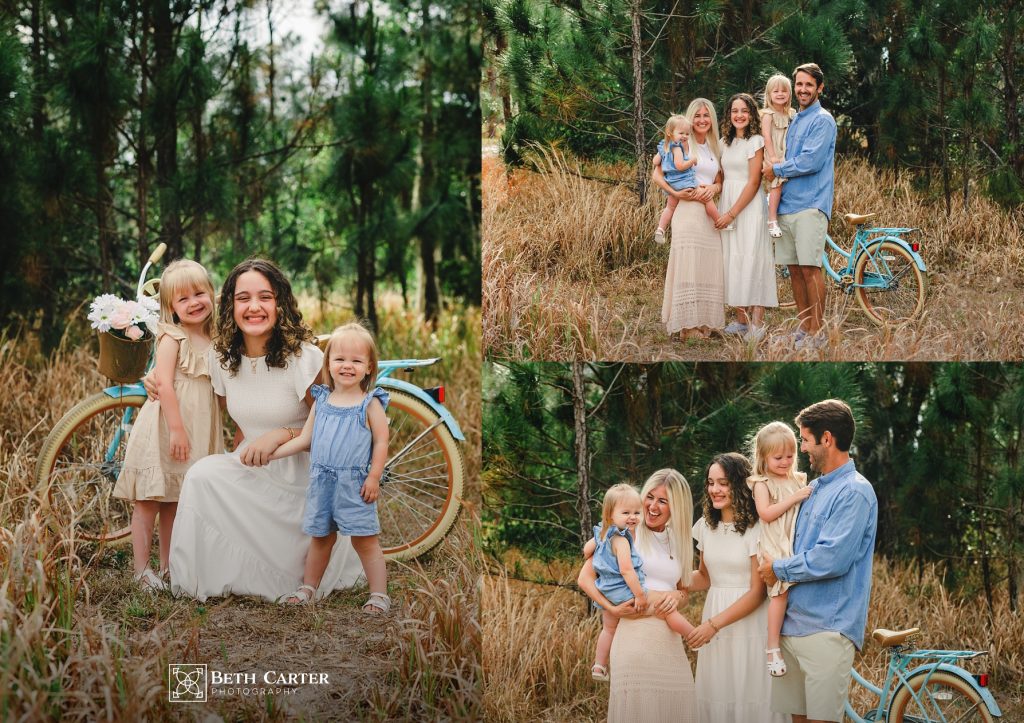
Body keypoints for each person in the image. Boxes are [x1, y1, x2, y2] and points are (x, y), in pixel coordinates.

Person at [165, 258, 363, 602]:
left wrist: (281, 434)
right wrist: (156, 379)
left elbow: (333, 429)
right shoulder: (221, 357)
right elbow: (232, 414)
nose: (254, 307)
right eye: (243, 298)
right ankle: (205, 577)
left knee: (210, 475)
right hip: (255, 464)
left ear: (280, 304)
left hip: (303, 475)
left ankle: (292, 574)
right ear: (230, 306)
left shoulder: (303, 357)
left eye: (265, 297)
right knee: (202, 476)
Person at [758, 399, 877, 723]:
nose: (802, 449)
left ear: (827, 439)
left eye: (806, 440)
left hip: (826, 630)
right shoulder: (811, 488)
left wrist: (777, 569)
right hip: (791, 629)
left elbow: (831, 559)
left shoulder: (854, 492)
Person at [114, 259, 223, 592]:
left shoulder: (216, 339)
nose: (193, 303)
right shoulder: (172, 337)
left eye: (199, 293)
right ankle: (142, 569)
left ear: (212, 295)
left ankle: (169, 566)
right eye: (183, 299)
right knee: (149, 499)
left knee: (177, 498)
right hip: (167, 425)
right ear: (171, 307)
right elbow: (164, 384)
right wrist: (176, 429)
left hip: (199, 425)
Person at [268, 322, 391, 612]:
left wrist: (374, 477)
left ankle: (379, 594)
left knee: (365, 541)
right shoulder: (322, 401)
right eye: (340, 359)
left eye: (356, 361)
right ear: (328, 363)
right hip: (322, 482)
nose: (347, 366)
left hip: (355, 484)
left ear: (369, 367)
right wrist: (273, 454)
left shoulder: (369, 404)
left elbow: (382, 442)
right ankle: (308, 587)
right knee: (321, 538)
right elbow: (305, 439)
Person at [577, 470, 696, 722]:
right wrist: (613, 608)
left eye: (663, 501)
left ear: (677, 506)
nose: (653, 506)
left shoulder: (679, 539)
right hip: (634, 639)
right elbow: (585, 579)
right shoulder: (625, 531)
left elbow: (683, 592)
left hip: (669, 641)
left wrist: (676, 596)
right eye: (650, 497)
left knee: (676, 710)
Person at [688, 452, 785, 723]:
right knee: (718, 693)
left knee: (749, 695)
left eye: (723, 483)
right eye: (711, 483)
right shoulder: (706, 527)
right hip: (715, 619)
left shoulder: (756, 529)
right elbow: (705, 577)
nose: (715, 490)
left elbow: (757, 592)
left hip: (749, 623)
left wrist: (713, 625)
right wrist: (672, 578)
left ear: (740, 484)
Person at [762, 63, 837, 349]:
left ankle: (818, 333)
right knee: (793, 269)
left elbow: (810, 162)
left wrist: (777, 167)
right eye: (800, 84)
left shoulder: (823, 120)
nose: (803, 89)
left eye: (809, 85)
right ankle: (805, 329)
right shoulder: (794, 119)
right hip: (787, 205)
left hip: (811, 204)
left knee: (809, 268)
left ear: (820, 88)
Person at [654, 98, 726, 342]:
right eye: (697, 115)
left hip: (708, 212)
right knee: (689, 263)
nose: (702, 120)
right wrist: (674, 193)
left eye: (707, 115)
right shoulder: (681, 141)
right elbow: (656, 173)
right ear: (689, 118)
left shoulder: (715, 146)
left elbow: (719, 180)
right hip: (687, 211)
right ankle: (686, 326)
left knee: (708, 263)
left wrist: (714, 189)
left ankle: (704, 321)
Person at [746, 422, 811, 677]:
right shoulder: (762, 483)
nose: (785, 462)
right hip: (775, 540)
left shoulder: (797, 479)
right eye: (778, 457)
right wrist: (795, 497)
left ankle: (790, 640)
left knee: (795, 591)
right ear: (763, 457)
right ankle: (772, 646)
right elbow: (766, 514)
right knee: (780, 593)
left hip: (795, 538)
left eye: (790, 456)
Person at [716, 93, 779, 342]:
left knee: (753, 257)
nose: (739, 115)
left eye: (744, 111)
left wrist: (731, 213)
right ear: (729, 115)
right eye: (734, 111)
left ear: (752, 114)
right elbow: (720, 175)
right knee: (733, 257)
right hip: (727, 201)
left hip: (748, 206)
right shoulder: (723, 143)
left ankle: (757, 323)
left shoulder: (756, 142)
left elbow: (754, 182)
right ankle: (741, 320)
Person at [654, 115, 724, 244]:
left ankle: (660, 229)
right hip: (685, 183)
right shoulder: (679, 147)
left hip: (673, 183)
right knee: (707, 200)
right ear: (670, 133)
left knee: (669, 207)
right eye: (681, 133)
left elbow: (655, 161)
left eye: (687, 133)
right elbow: (678, 167)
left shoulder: (664, 146)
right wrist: (692, 160)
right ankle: (720, 222)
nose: (684, 136)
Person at [760, 75, 797, 239]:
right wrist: (773, 157)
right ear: (769, 94)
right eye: (776, 91)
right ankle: (771, 219)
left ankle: (775, 208)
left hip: (786, 152)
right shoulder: (767, 114)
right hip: (773, 152)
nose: (780, 94)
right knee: (777, 183)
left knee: (785, 184)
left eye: (784, 91)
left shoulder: (791, 113)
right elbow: (766, 136)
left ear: (790, 94)